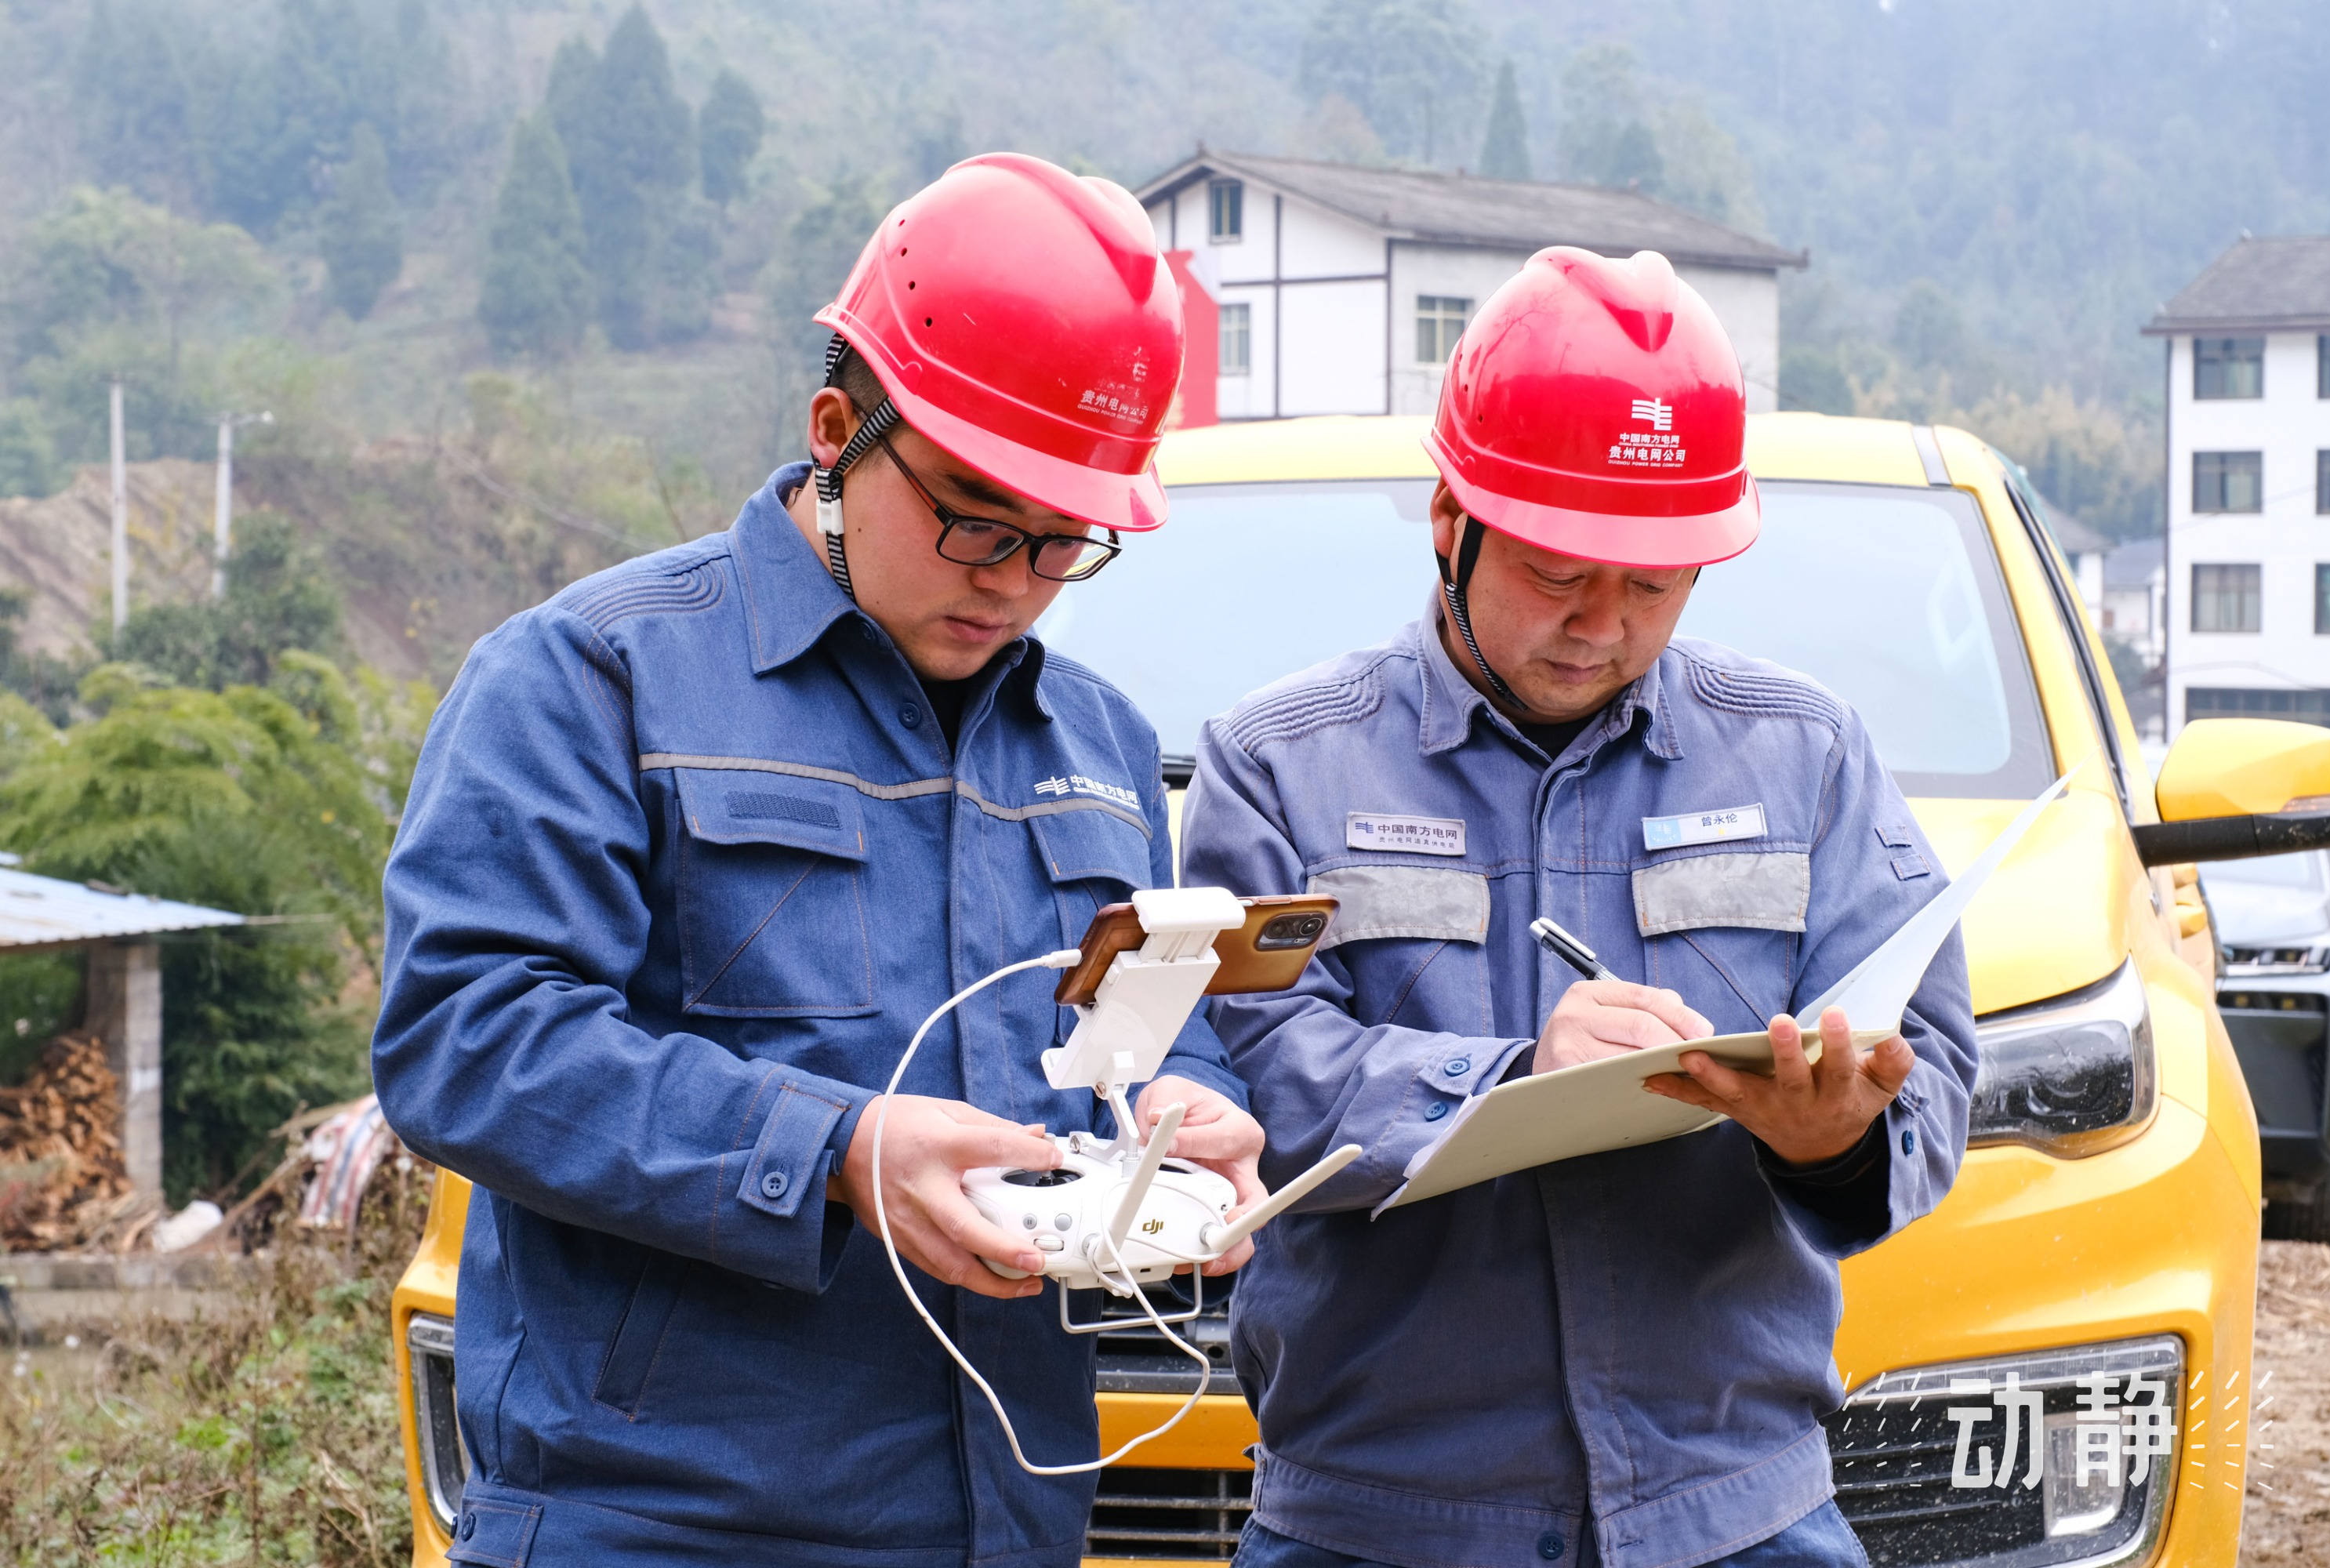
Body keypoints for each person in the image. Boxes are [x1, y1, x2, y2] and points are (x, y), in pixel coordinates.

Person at [372, 154, 1267, 1567]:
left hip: (1012, 1508)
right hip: (667, 1521)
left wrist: (1189, 1112)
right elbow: (466, 1044)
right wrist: (838, 1151)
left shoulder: (1092, 734)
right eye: (975, 515)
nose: (1013, 579)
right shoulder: (592, 677)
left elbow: (1137, 1021)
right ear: (839, 430)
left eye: (1064, 542)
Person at [1179, 248, 1977, 1568]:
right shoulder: (1278, 765)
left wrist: (1832, 1135)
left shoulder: (1808, 755)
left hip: (1739, 1515)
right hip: (1380, 1523)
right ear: (1450, 517)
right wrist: (1509, 1079)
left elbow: (1933, 1060)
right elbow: (1249, 1077)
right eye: (1559, 574)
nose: (1601, 626)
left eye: (1652, 586)